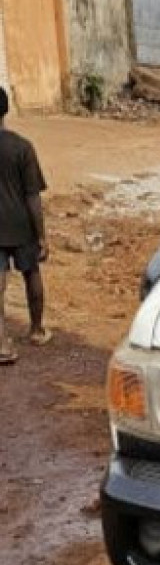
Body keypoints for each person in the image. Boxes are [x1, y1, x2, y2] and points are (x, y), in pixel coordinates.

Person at [0, 86, 50, 363]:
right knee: (31, 273)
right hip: (21, 225)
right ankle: (36, 329)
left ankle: (2, 343)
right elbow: (33, 196)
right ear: (5, 110)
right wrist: (41, 235)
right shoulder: (22, 147)